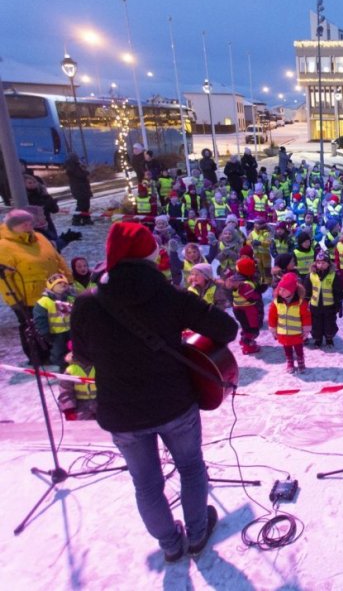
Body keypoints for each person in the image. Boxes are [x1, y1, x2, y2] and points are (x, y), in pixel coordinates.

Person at [70, 221, 237, 561]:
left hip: (121, 414)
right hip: (174, 404)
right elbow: (228, 328)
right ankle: (197, 533)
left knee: (145, 484)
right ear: (148, 255)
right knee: (190, 467)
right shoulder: (168, 294)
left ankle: (170, 545)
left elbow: (84, 357)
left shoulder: (88, 302)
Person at [0, 209, 72, 361]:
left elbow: (57, 258)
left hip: (54, 291)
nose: (28, 226)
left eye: (29, 223)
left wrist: (68, 279)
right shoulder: (4, 246)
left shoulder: (39, 237)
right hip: (28, 298)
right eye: (23, 224)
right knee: (33, 327)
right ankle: (38, 357)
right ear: (13, 226)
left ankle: (58, 353)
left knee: (55, 323)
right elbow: (4, 278)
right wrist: (14, 300)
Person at [268, 271, 311, 372]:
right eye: (280, 289)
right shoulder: (276, 302)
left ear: (291, 290)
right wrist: (273, 328)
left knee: (299, 349)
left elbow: (306, 317)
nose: (280, 291)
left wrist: (306, 329)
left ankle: (301, 362)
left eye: (284, 289)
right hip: (283, 332)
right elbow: (272, 316)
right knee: (287, 350)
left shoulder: (301, 303)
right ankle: (290, 362)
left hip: (297, 333)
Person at [32, 273, 74, 367]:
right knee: (60, 356)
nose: (63, 285)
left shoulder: (70, 298)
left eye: (65, 283)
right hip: (56, 335)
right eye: (59, 283)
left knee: (76, 354)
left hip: (72, 332)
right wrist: (46, 334)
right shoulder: (43, 302)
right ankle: (65, 375)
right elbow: (40, 320)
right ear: (51, 287)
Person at [308, 251, 338, 348]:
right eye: (318, 262)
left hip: (329, 305)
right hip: (315, 305)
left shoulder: (333, 275)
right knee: (316, 324)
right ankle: (318, 339)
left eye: (323, 263)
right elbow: (307, 290)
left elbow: (337, 291)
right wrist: (306, 301)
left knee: (329, 324)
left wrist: (338, 304)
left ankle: (329, 338)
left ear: (328, 263)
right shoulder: (311, 275)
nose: (321, 265)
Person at [64, 150, 94, 226]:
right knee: (81, 206)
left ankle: (86, 219)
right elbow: (81, 175)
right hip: (80, 189)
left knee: (86, 205)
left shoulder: (74, 166)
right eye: (76, 157)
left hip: (82, 189)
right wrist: (88, 171)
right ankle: (76, 220)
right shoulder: (73, 167)